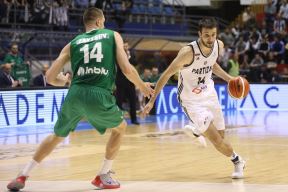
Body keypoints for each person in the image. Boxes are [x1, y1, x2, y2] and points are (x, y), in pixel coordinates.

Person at [7, 7, 154, 191]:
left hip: (75, 93)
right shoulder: (112, 35)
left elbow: (50, 77)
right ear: (100, 22)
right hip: (99, 93)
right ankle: (103, 175)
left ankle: (22, 175)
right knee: (120, 128)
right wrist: (142, 85)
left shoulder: (72, 43)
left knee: (57, 136)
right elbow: (126, 69)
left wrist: (65, 80)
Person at [143, 17, 246, 179]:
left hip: (210, 94)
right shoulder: (187, 53)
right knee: (218, 142)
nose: (210, 39)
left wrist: (230, 80)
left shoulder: (218, 45)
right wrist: (151, 101)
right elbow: (166, 75)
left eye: (213, 35)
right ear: (199, 34)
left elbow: (212, 64)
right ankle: (238, 160)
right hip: (191, 100)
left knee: (221, 138)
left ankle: (197, 131)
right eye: (206, 35)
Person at [116, 41, 139, 125]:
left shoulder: (132, 54)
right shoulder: (118, 53)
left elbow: (136, 63)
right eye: (124, 46)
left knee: (133, 101)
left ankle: (134, 119)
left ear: (128, 46)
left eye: (126, 46)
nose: (125, 47)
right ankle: (116, 120)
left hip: (130, 81)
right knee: (119, 102)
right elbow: (119, 65)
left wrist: (129, 57)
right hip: (120, 81)